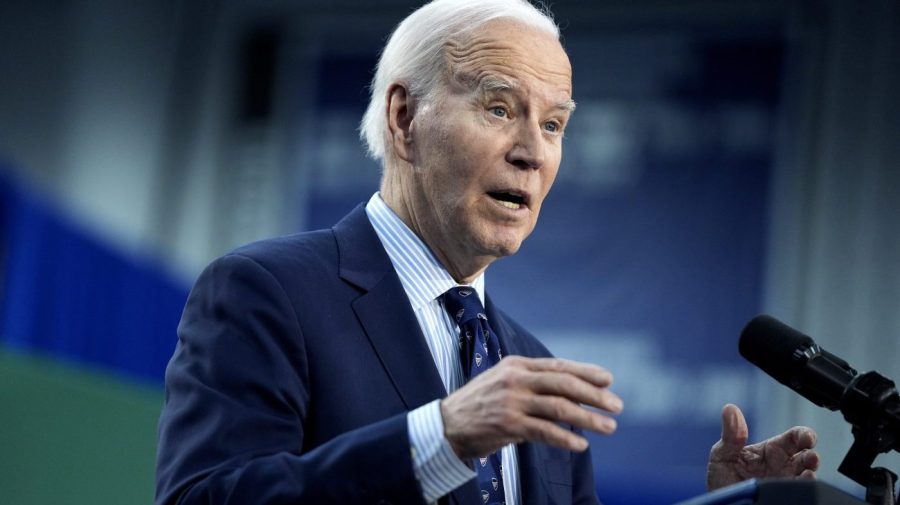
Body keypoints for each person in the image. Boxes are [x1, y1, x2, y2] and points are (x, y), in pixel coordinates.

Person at [155, 1, 820, 504]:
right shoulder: (265, 292)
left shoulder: (534, 370)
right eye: (501, 108)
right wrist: (440, 436)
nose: (533, 150)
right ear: (404, 119)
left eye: (554, 123)